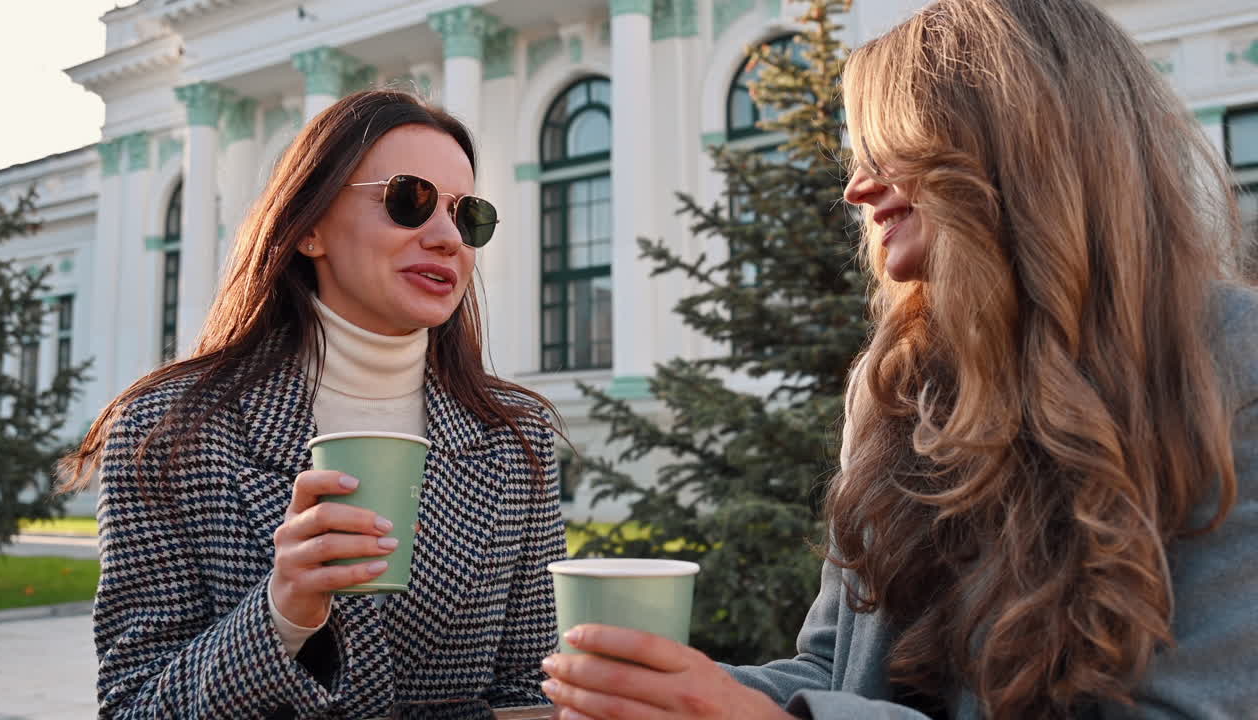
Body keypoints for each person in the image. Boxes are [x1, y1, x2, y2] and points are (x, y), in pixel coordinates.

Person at [539, 0, 1258, 717]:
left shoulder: (1230, 367)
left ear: (1009, 144)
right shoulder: (896, 389)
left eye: (885, 150)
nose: (855, 187)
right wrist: (676, 696)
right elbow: (835, 672)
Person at [58, 90, 567, 719]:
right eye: (410, 200)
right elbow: (133, 708)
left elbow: (531, 689)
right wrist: (281, 615)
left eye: (469, 217)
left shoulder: (516, 438)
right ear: (311, 229)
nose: (446, 239)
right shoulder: (167, 431)